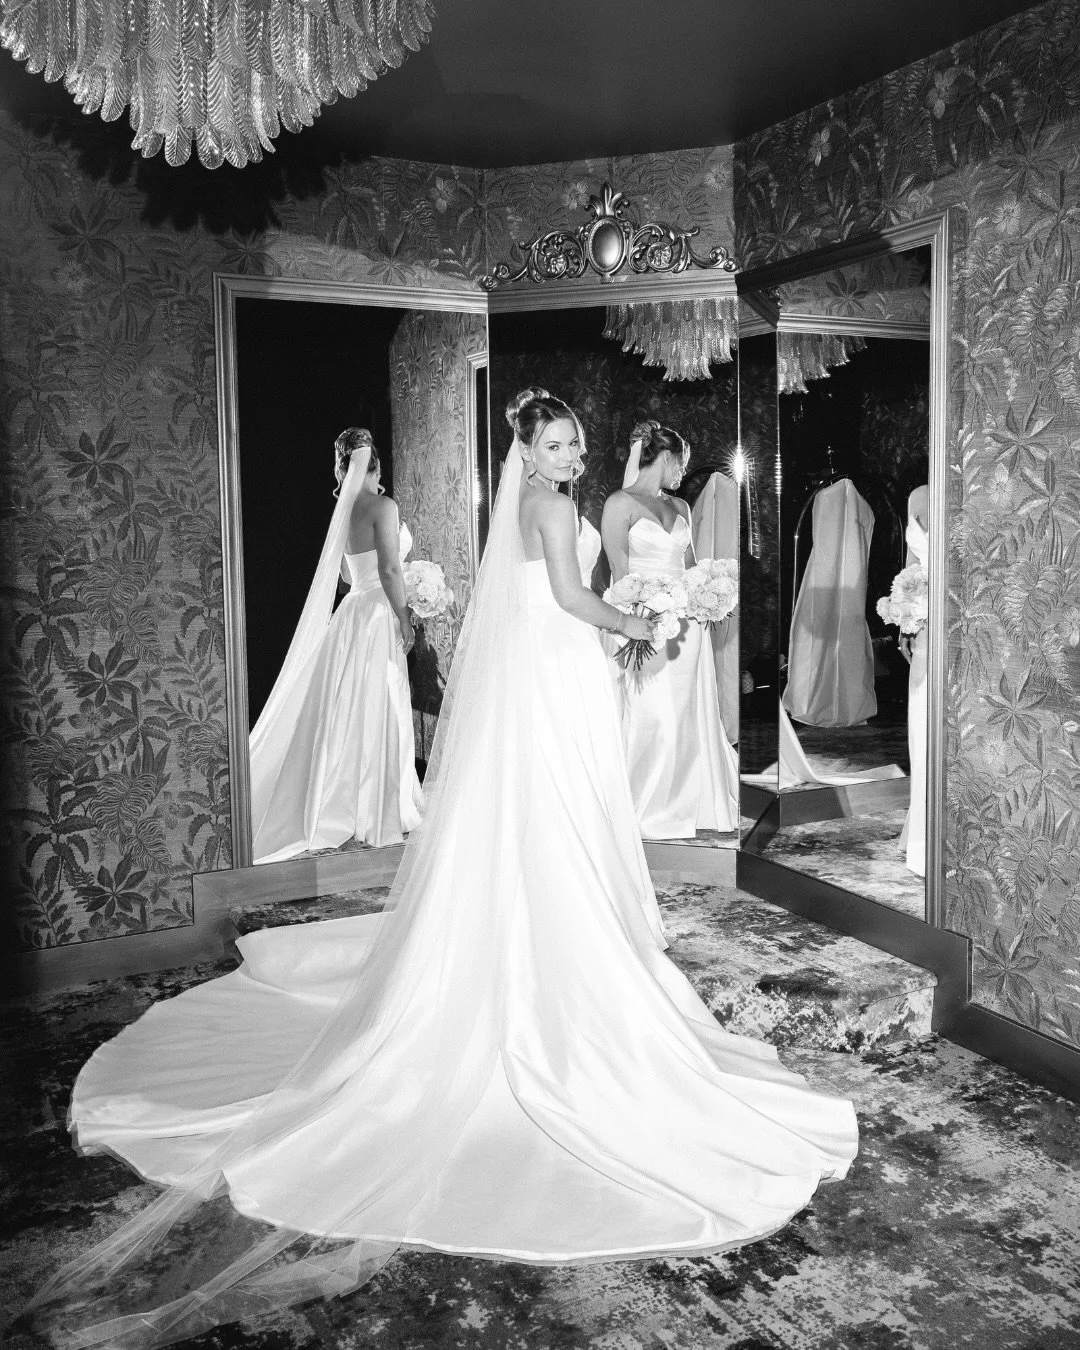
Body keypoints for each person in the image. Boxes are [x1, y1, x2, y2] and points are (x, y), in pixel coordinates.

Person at [24, 391, 857, 1349]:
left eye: (576, 438)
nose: (570, 451)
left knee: (560, 819)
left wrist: (638, 616)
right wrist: (641, 620)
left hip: (562, 670)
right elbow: (567, 598)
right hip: (561, 667)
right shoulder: (549, 509)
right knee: (560, 819)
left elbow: (565, 600)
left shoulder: (550, 502)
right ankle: (551, 977)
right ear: (527, 453)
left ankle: (549, 947)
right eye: (553, 441)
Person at [249, 427, 422, 863]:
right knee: (379, 703)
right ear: (375, 465)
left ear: (343, 467)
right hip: (378, 613)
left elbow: (347, 576)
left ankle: (344, 800)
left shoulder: (342, 511)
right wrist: (405, 616)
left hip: (351, 614)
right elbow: (389, 570)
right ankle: (377, 807)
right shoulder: (383, 505)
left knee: (347, 708)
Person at [601, 421, 741, 839]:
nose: (683, 473)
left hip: (689, 626)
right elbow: (619, 574)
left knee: (689, 711)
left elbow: (693, 565)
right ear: (664, 457)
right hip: (645, 622)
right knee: (655, 715)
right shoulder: (619, 504)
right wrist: (637, 619)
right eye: (681, 462)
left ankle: (695, 802)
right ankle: (651, 805)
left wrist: (709, 592)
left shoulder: (680, 508)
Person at [898, 483, 929, 877]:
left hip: (957, 620)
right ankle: (922, 827)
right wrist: (904, 620)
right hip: (921, 623)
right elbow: (910, 569)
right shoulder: (917, 494)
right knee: (920, 725)